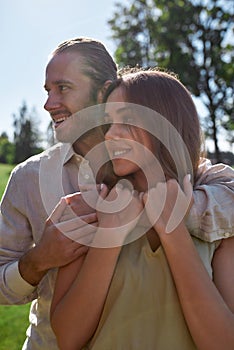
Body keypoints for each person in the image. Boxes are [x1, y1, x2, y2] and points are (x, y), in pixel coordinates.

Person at [50, 69, 234, 349]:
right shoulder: (88, 208)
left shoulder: (221, 220)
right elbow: (68, 337)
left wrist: (173, 233)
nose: (110, 135)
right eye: (109, 123)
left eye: (127, 120)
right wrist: (109, 236)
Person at [0, 37, 118, 350]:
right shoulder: (28, 177)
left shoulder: (155, 169)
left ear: (103, 92)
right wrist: (40, 259)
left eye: (62, 88)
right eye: (47, 90)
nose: (49, 103)